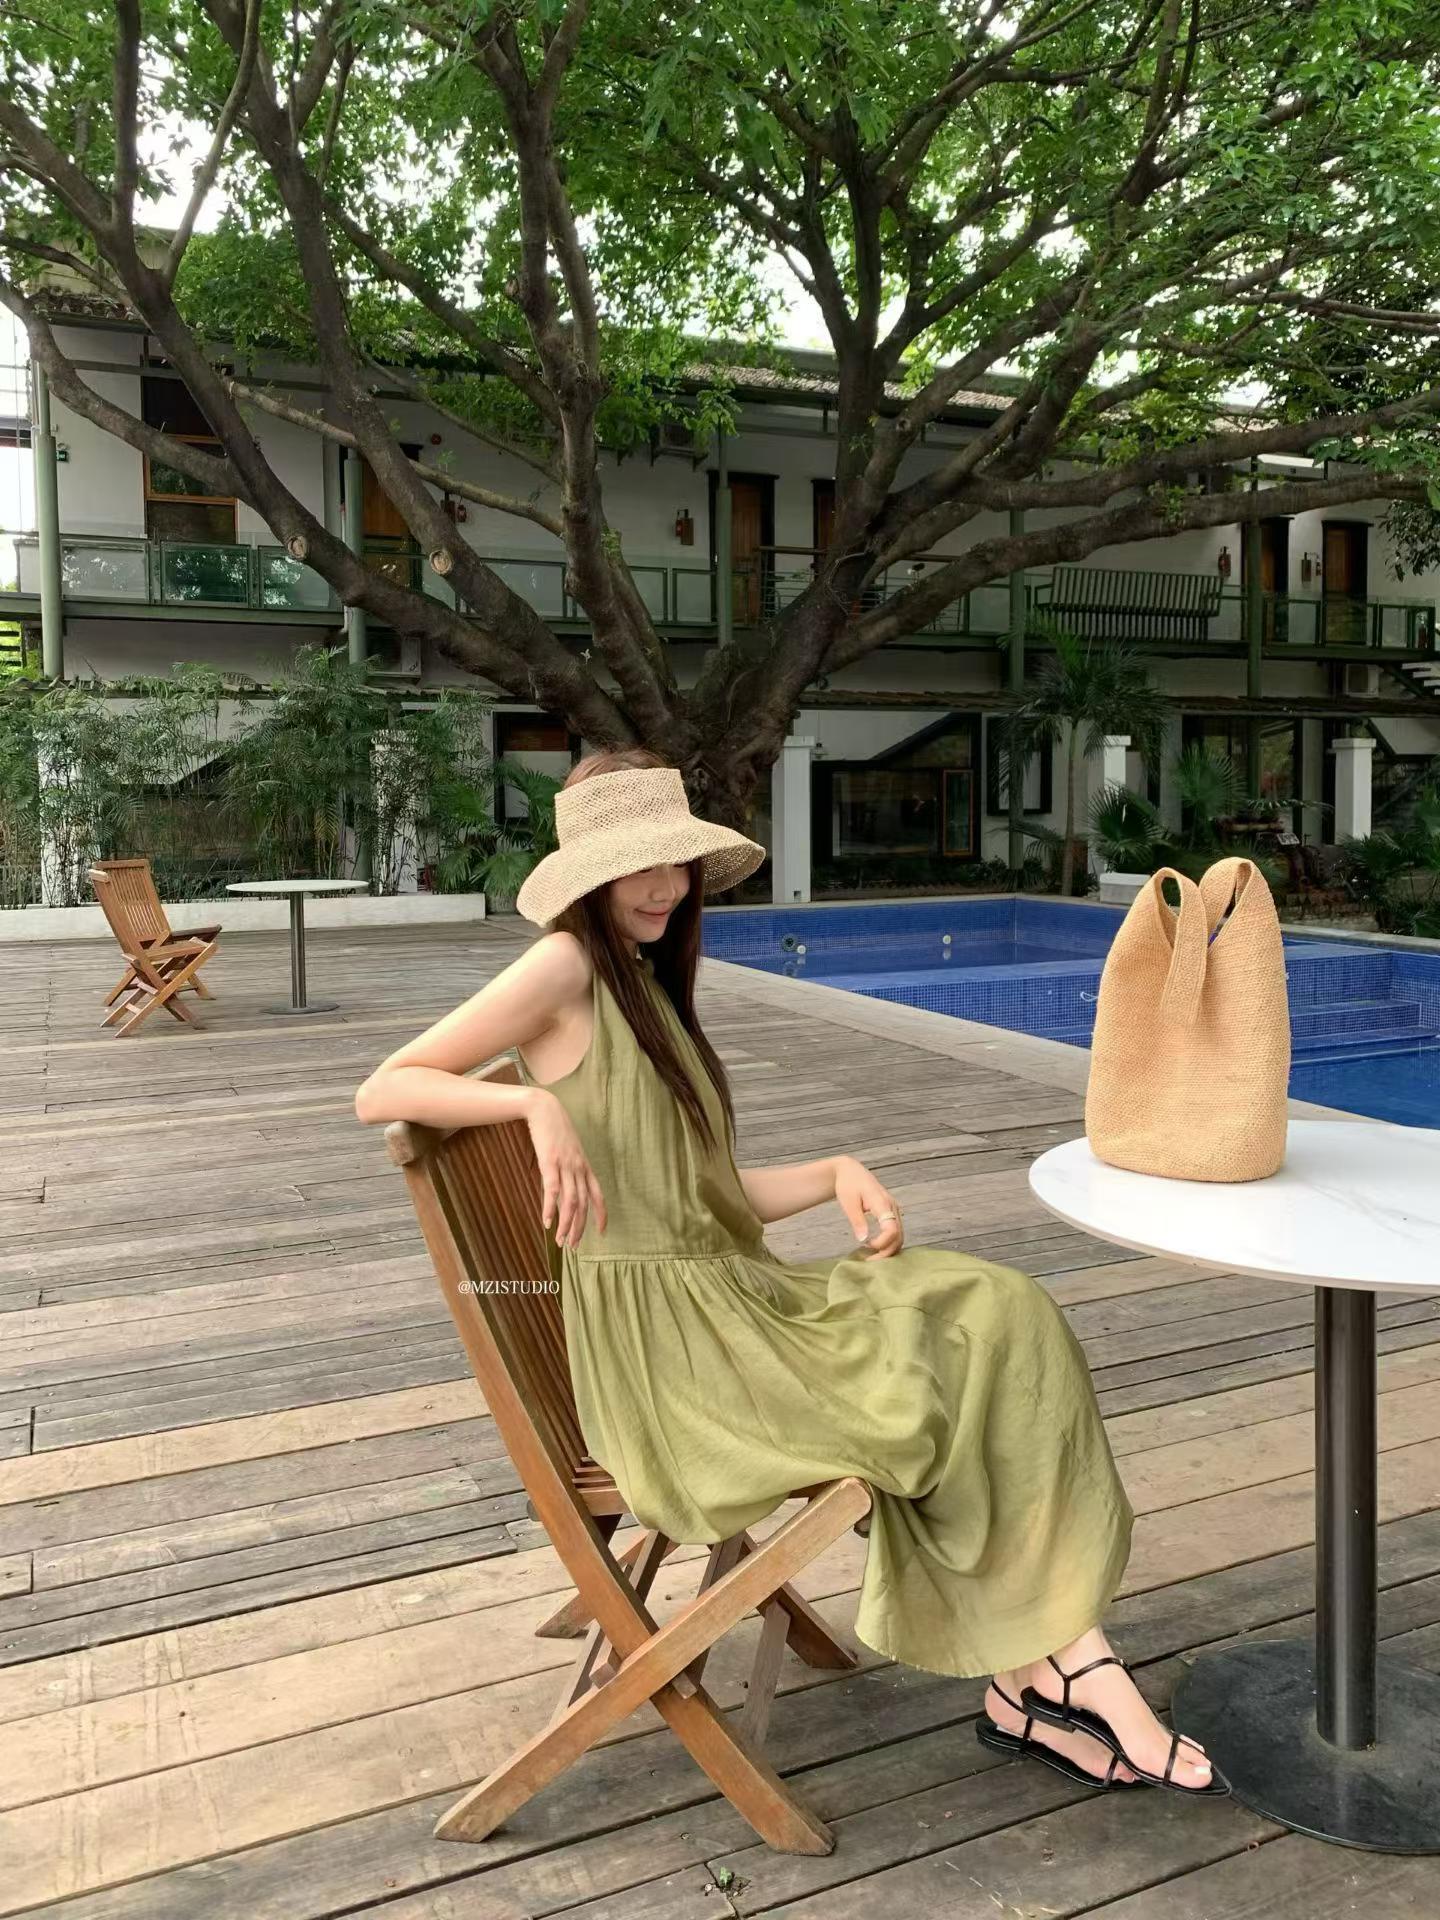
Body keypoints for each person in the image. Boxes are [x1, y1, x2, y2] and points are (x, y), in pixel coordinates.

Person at [355, 747, 1225, 1799]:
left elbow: (698, 1194)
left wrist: (832, 1173)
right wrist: (532, 1105)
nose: (664, 887)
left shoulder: (644, 984)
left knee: (999, 1311)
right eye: (638, 867)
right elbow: (384, 1088)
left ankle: (1040, 1669)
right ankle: (1065, 1670)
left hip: (728, 1303)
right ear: (590, 876)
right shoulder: (567, 967)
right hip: (680, 1366)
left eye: (675, 862)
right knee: (934, 1375)